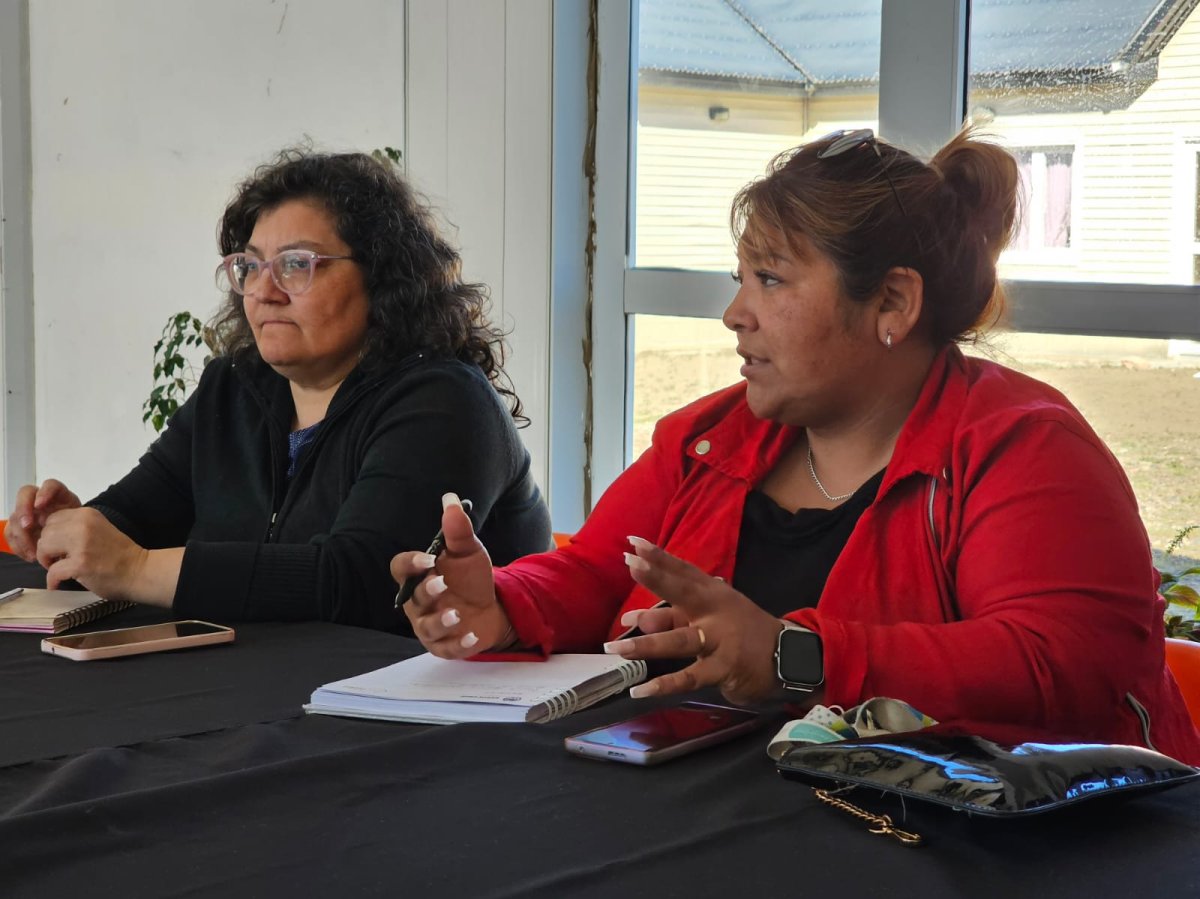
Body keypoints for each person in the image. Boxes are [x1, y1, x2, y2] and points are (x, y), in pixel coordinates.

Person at [394, 127, 1200, 761]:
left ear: (892, 303)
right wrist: (504, 604)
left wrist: (796, 655)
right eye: (741, 279)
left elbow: (1063, 666)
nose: (734, 314)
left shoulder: (1024, 446)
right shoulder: (710, 438)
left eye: (771, 279)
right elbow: (604, 570)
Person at [4, 149, 551, 631]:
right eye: (250, 266)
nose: (263, 291)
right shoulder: (233, 388)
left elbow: (364, 582)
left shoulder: (444, 400)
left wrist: (134, 568)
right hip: (263, 686)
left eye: (296, 264)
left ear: (383, 278)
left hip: (439, 704)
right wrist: (76, 532)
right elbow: (140, 516)